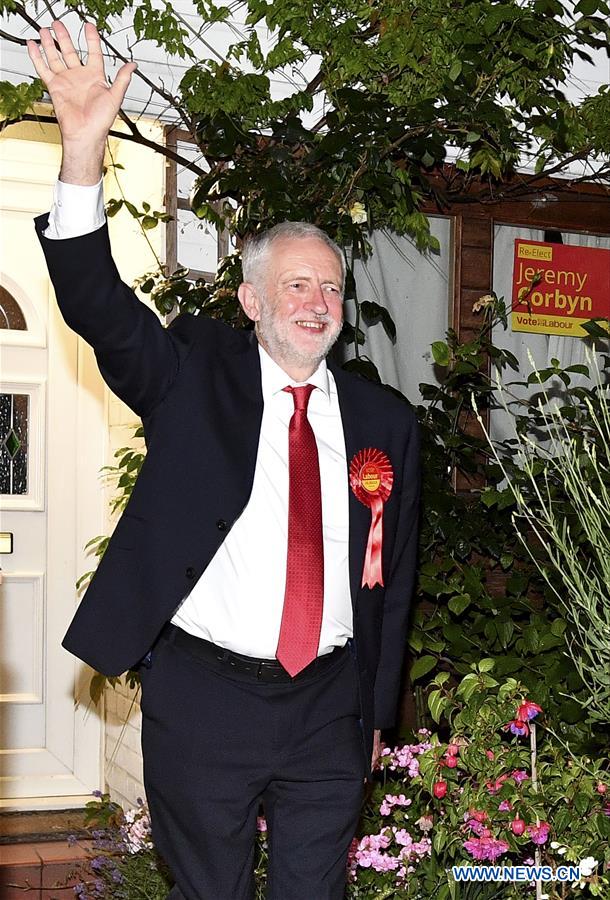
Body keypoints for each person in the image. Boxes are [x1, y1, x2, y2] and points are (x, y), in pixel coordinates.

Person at [28, 21, 420, 900]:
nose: (318, 301)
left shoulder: (384, 422)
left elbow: (390, 582)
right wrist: (83, 151)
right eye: (296, 284)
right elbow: (97, 305)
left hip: (329, 706)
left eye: (331, 286)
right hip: (206, 698)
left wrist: (375, 712)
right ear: (250, 299)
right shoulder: (190, 375)